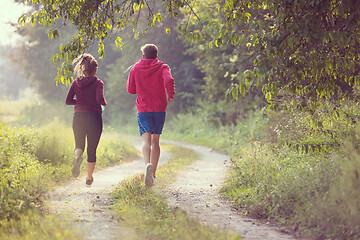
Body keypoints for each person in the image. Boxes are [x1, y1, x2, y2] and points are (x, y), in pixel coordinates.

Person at [127, 44, 175, 187]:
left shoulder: (135, 68)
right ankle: (153, 174)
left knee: (145, 141)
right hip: (159, 108)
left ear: (143, 56)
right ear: (156, 55)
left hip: (143, 108)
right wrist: (170, 95)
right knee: (156, 141)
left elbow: (130, 90)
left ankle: (147, 164)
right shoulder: (163, 67)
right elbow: (169, 80)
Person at [65, 53, 107, 186]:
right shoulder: (98, 83)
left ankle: (78, 158)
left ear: (83, 68)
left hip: (79, 116)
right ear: (95, 70)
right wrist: (104, 103)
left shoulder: (76, 83)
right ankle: (89, 178)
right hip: (94, 117)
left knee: (79, 144)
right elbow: (99, 99)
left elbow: (68, 101)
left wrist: (80, 101)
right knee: (92, 149)